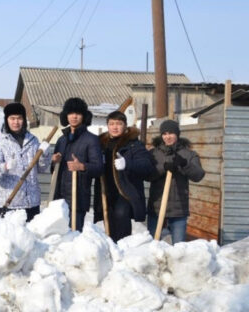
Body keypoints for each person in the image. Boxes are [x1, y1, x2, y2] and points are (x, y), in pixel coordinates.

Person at [91, 111, 154, 242]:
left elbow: (147, 166)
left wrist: (127, 164)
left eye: (119, 124)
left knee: (121, 219)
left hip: (125, 193)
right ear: (107, 126)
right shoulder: (100, 144)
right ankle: (112, 251)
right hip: (105, 192)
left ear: (125, 126)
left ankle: (122, 251)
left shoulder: (133, 144)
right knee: (108, 223)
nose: (115, 127)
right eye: (111, 124)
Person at [0, 103, 52, 221]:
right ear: (7, 120)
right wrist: (5, 167)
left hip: (32, 202)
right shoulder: (0, 143)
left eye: (19, 118)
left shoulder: (33, 140)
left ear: (24, 120)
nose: (16, 122)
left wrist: (45, 154)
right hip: (11, 203)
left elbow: (41, 168)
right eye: (12, 118)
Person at [147, 120, 205, 244]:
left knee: (179, 249)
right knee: (152, 246)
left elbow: (198, 175)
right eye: (165, 133)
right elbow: (147, 175)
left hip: (179, 209)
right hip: (156, 207)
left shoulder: (189, 154)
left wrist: (184, 164)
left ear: (177, 134)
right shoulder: (153, 154)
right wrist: (163, 168)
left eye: (171, 133)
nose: (167, 137)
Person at [52, 98, 103, 231]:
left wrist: (82, 166)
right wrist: (54, 162)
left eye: (78, 113)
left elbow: (98, 168)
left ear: (84, 116)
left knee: (74, 237)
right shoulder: (61, 140)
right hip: (59, 198)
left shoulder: (91, 140)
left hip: (78, 198)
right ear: (66, 116)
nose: (74, 116)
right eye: (71, 113)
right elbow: (54, 171)